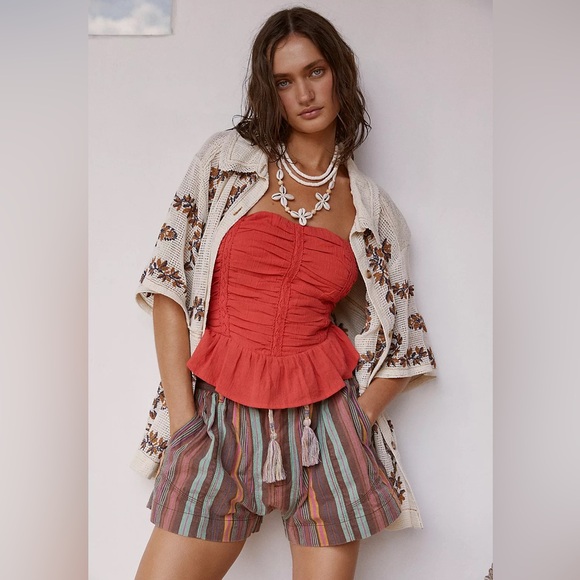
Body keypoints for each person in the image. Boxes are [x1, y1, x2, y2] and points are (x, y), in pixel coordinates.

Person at [132, 7, 436, 580]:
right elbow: (168, 283)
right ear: (269, 92)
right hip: (215, 424)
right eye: (284, 81)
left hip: (325, 435)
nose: (304, 93)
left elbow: (406, 344)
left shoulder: (374, 211)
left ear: (340, 73)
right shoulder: (227, 163)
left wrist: (356, 422)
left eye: (315, 71)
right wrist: (184, 426)